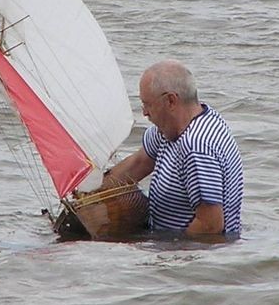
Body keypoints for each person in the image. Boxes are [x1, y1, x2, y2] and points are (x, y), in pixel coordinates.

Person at [103, 60, 243, 237]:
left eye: (147, 104)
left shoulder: (196, 147)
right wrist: (86, 191)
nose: (144, 112)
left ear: (170, 101)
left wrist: (168, 252)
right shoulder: (170, 130)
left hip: (190, 249)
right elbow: (138, 164)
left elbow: (210, 226)